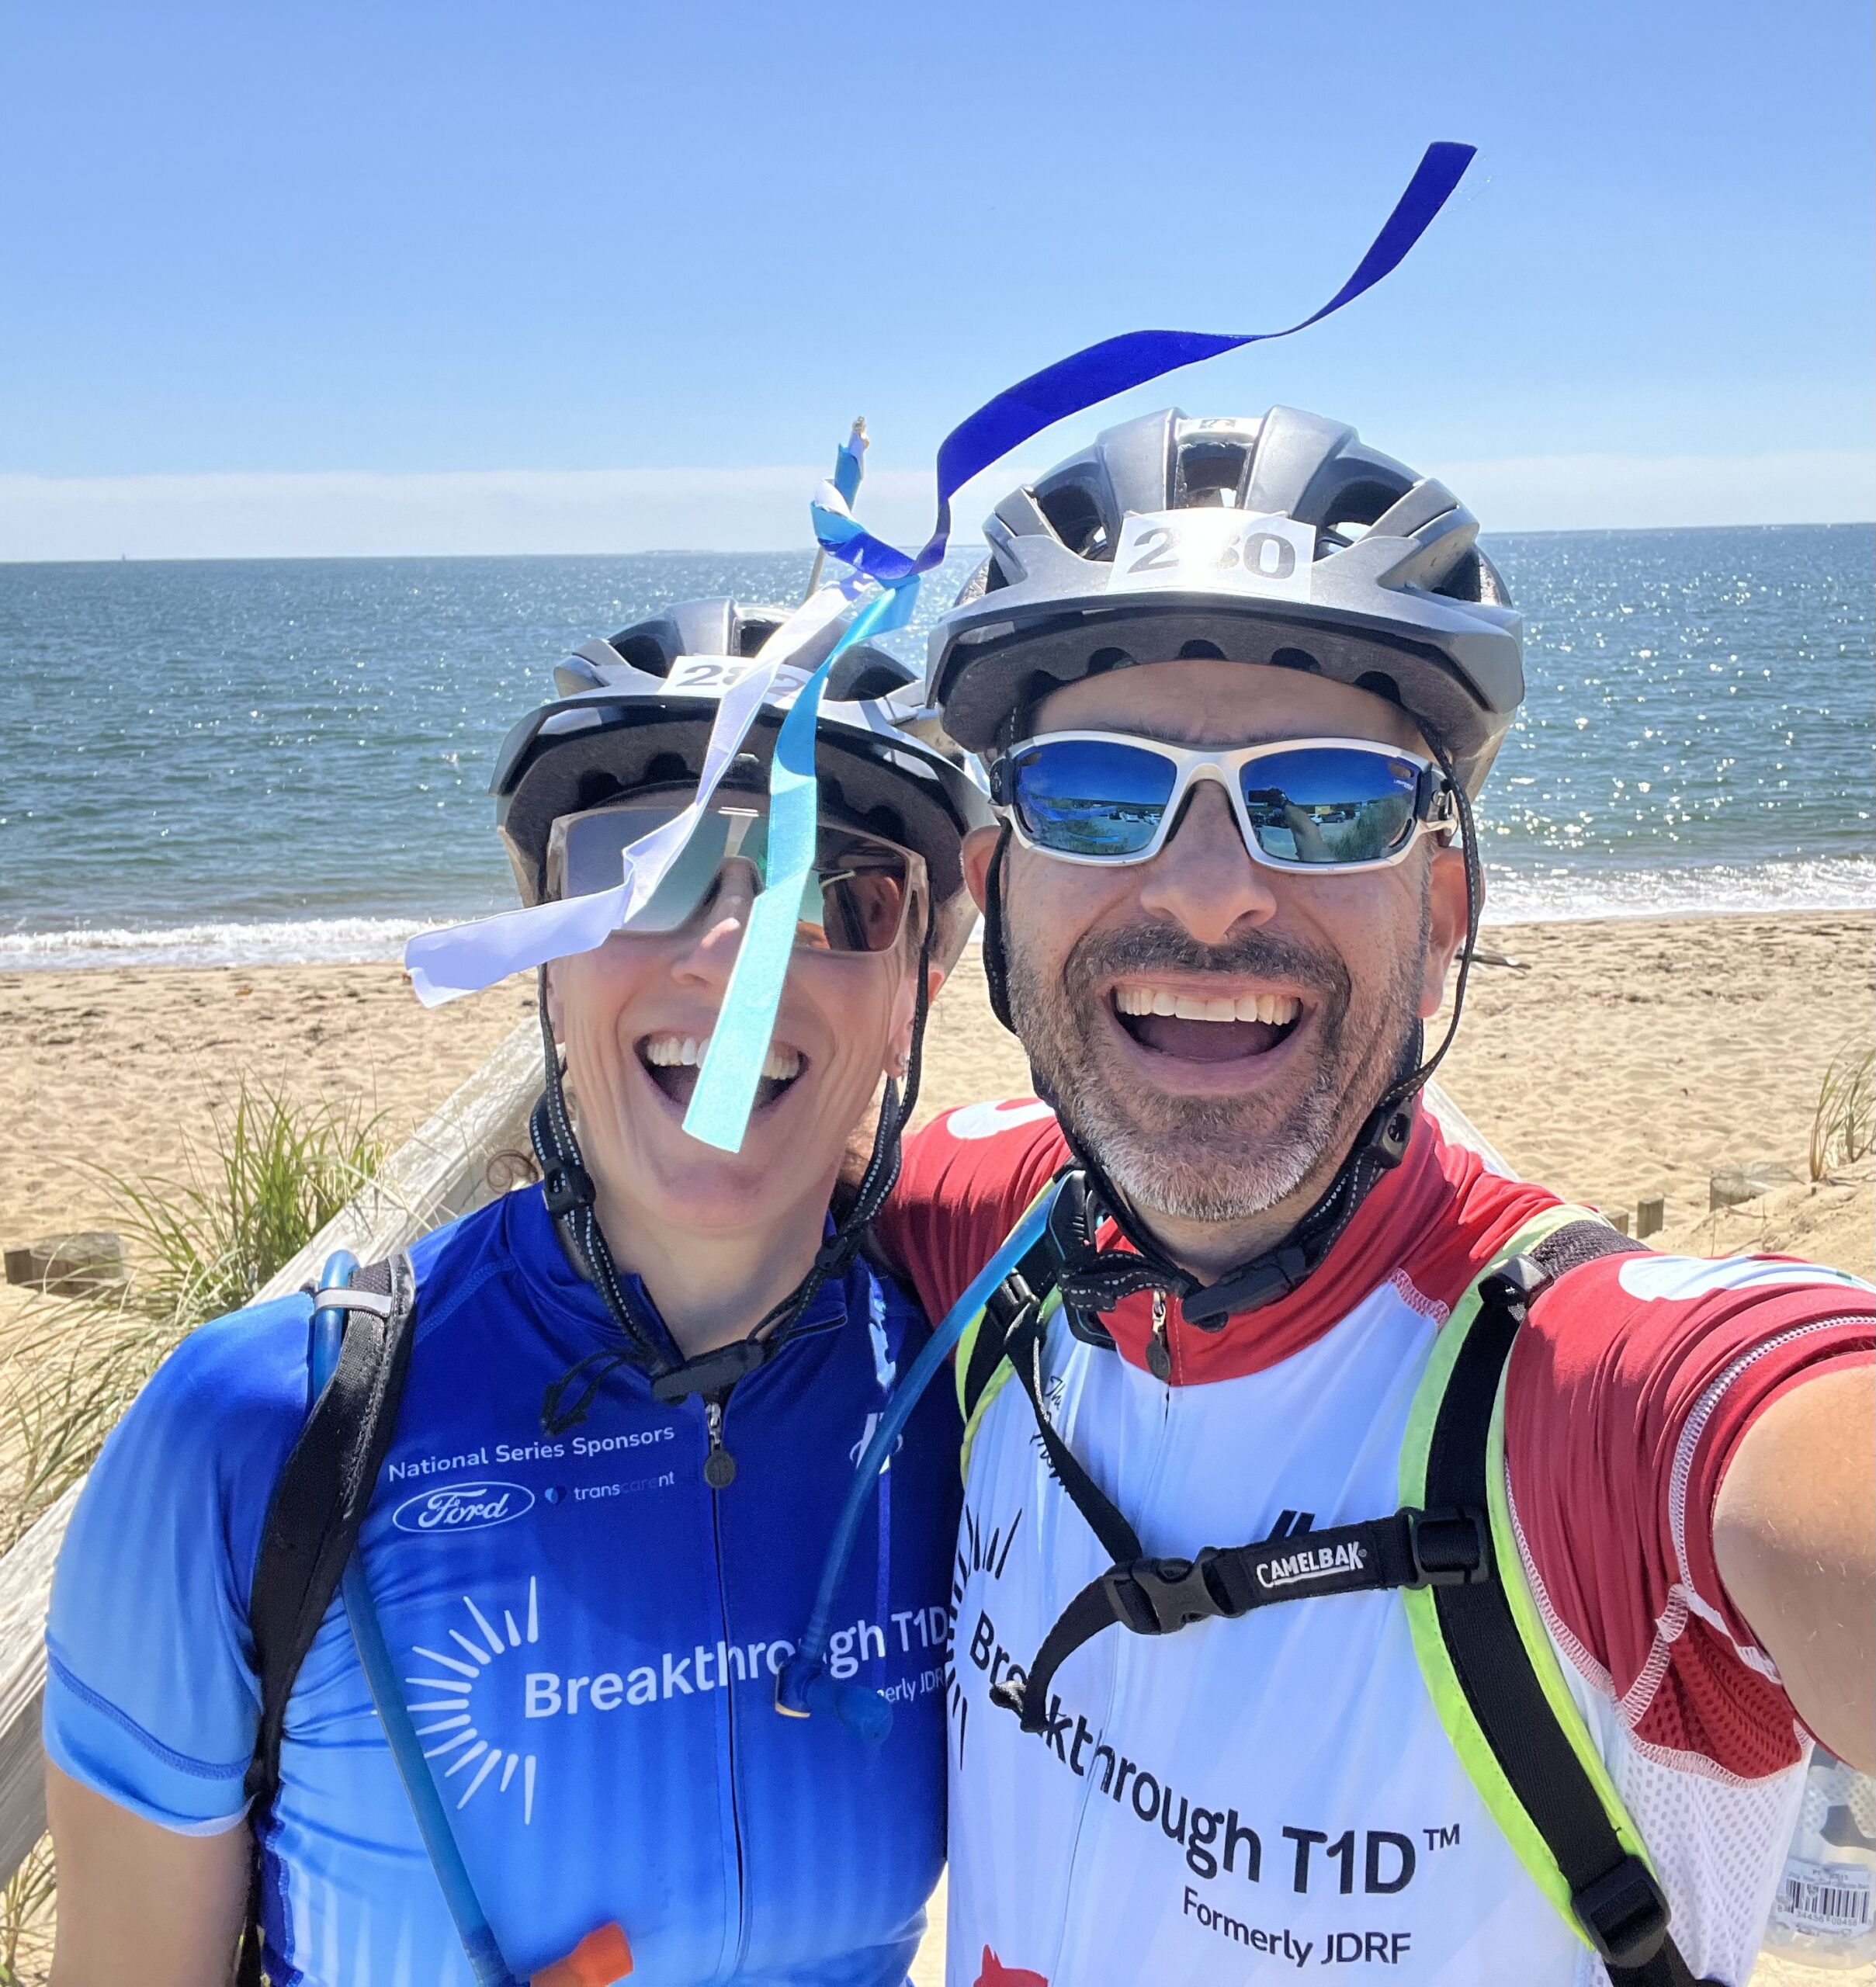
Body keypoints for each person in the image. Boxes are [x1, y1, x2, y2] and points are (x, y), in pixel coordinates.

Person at [870, 408, 1876, 1986]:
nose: (1210, 891)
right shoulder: (980, 1226)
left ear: (1444, 906)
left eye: (1328, 799)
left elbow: (1795, 1438)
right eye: (1096, 793)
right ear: (997, 889)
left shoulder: (1590, 1409)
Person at [43, 597, 991, 1987]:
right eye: (642, 872)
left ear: (916, 988)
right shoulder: (257, 1430)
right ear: (547, 956)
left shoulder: (976, 1400)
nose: (730, 955)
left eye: (833, 890)